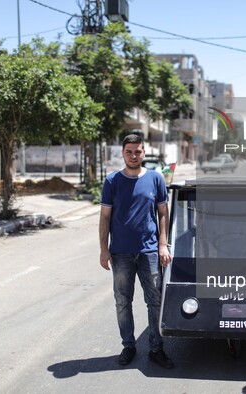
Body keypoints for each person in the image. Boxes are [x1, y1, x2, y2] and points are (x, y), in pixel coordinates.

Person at [99, 134, 174, 369]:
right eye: (129, 151)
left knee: (155, 301)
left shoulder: (155, 178)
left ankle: (156, 348)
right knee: (122, 302)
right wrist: (103, 249)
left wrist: (163, 244)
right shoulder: (112, 181)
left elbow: (163, 213)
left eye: (138, 151)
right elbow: (104, 218)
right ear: (123, 153)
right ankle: (128, 345)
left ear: (144, 153)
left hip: (150, 251)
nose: (133, 156)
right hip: (120, 253)